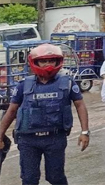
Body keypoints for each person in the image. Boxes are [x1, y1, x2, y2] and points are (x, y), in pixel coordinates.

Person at [0, 44, 90, 185]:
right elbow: (11, 111)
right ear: (35, 62)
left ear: (58, 61)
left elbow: (80, 105)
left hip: (55, 138)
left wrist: (85, 132)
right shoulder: (24, 85)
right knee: (29, 179)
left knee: (56, 178)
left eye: (51, 60)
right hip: (28, 140)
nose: (48, 64)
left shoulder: (67, 83)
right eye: (43, 61)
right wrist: (0, 134)